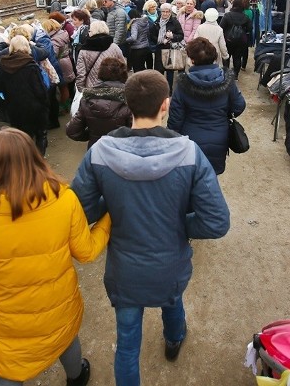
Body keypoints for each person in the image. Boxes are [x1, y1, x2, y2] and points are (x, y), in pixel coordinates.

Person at [71, 70, 230, 386]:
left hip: (125, 271)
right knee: (171, 298)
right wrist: (180, 225)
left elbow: (79, 211)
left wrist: (115, 208)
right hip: (170, 263)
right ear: (166, 105)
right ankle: (174, 338)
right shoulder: (189, 152)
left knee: (127, 344)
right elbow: (216, 222)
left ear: (128, 106)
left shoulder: (100, 152)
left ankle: (171, 337)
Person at [0, 128, 111, 386]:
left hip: (9, 314)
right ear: (34, 157)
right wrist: (109, 220)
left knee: (11, 365)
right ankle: (77, 376)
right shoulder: (64, 198)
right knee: (64, 337)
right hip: (58, 300)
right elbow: (87, 252)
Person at [168, 38, 246, 174]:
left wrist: (172, 140)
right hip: (219, 136)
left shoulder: (183, 84)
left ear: (192, 60)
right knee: (211, 180)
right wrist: (223, 114)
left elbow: (175, 118)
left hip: (190, 138)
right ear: (214, 57)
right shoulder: (227, 81)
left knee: (191, 179)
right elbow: (239, 105)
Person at [0, 36, 50, 155]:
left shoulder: (2, 65)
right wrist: (45, 102)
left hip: (14, 106)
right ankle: (39, 159)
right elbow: (39, 89)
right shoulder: (30, 64)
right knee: (40, 134)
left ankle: (26, 160)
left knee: (22, 136)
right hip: (34, 106)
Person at [65, 57, 133, 148]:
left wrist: (92, 136)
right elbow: (136, 133)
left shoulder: (87, 99)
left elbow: (72, 131)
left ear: (100, 74)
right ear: (124, 75)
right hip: (122, 152)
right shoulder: (130, 99)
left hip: (96, 151)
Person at [75, 20, 125, 93]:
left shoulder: (84, 51)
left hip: (92, 89)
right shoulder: (114, 47)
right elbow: (123, 67)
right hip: (113, 87)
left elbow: (81, 73)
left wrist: (81, 90)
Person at [149, 3, 184, 92]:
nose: (165, 14)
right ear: (160, 12)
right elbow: (151, 36)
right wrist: (159, 40)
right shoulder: (157, 22)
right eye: (163, 12)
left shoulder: (174, 22)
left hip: (170, 49)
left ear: (170, 12)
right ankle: (160, 90)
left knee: (170, 72)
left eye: (167, 12)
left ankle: (169, 90)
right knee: (159, 72)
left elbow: (181, 35)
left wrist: (173, 36)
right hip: (159, 49)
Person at [220, 0, 252, 80]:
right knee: (237, 58)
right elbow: (250, 28)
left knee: (226, 57)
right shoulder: (245, 17)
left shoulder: (227, 15)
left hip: (228, 40)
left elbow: (221, 27)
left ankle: (226, 74)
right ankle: (235, 75)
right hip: (240, 41)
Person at [126, 3, 154, 72]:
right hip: (146, 47)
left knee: (137, 70)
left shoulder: (135, 24)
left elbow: (133, 37)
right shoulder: (145, 21)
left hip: (137, 49)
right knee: (144, 69)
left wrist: (125, 40)